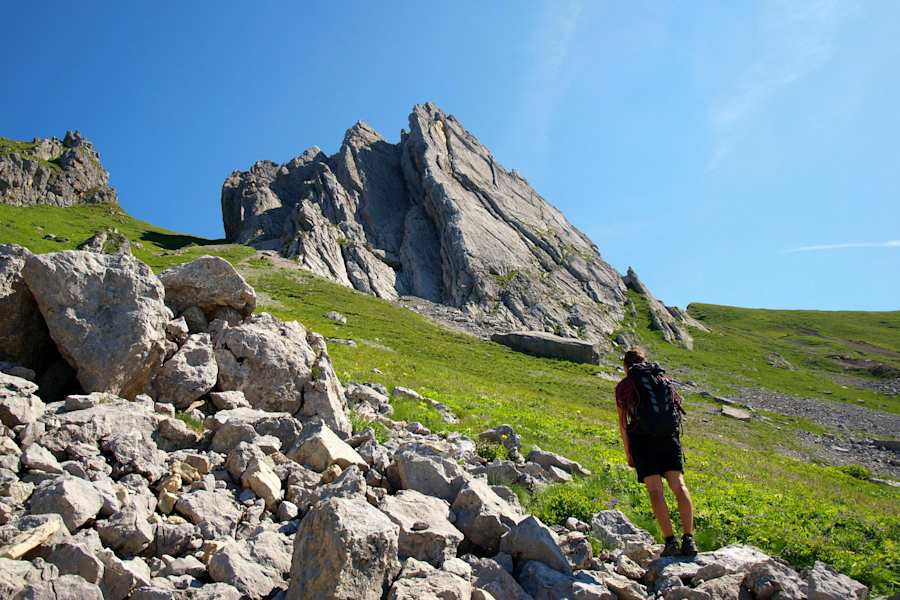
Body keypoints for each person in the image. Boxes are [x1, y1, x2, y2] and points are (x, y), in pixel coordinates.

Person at [615, 347, 697, 557]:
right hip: (669, 439)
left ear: (626, 366)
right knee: (679, 486)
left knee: (655, 491)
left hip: (642, 441)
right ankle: (688, 539)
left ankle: (670, 542)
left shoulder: (625, 386)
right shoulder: (662, 380)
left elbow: (623, 424)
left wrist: (629, 453)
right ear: (644, 361)